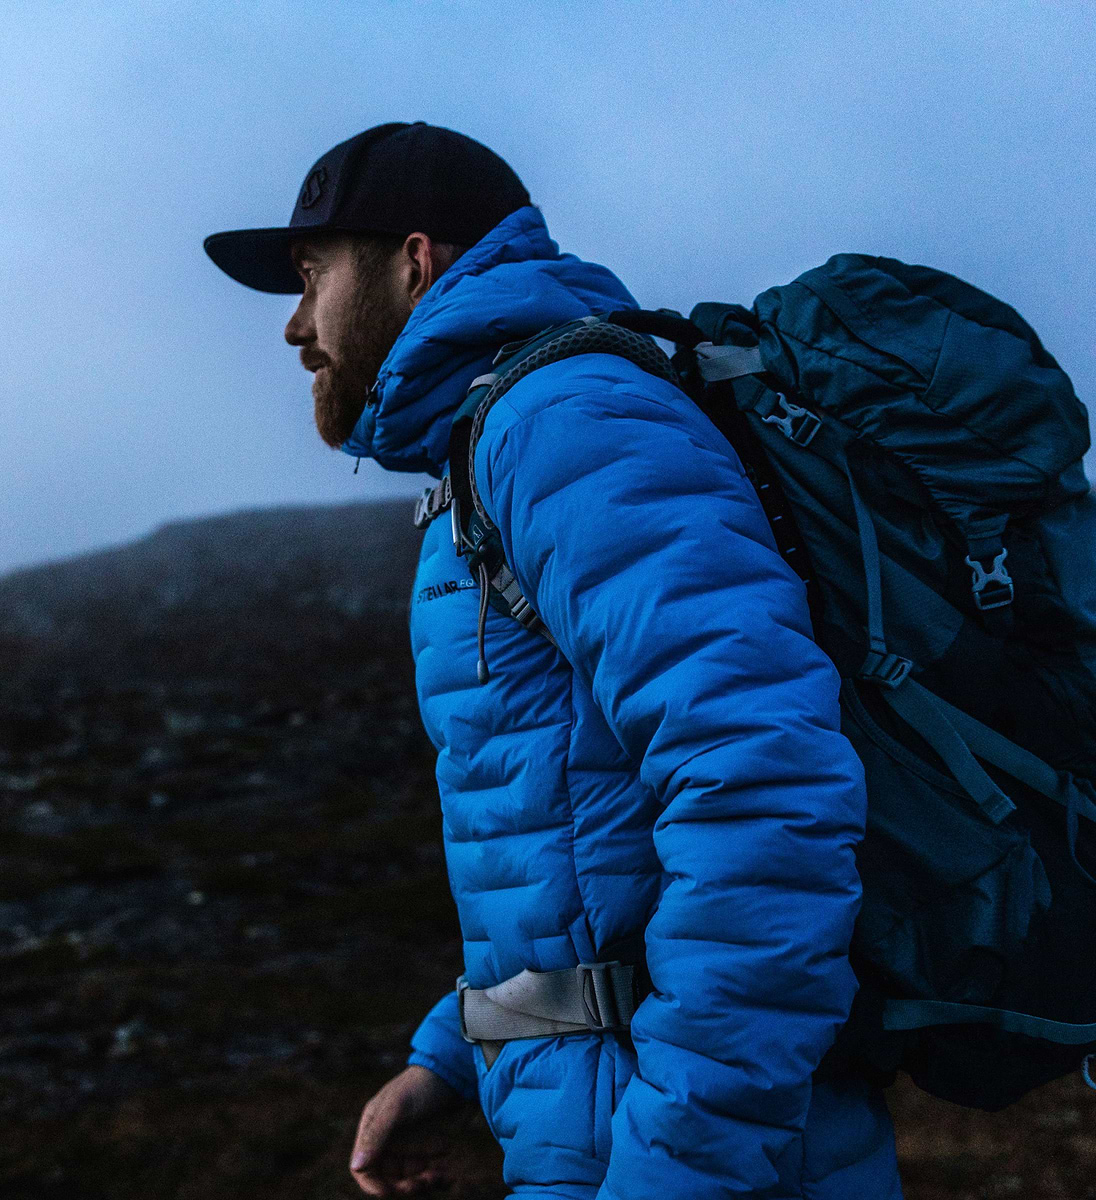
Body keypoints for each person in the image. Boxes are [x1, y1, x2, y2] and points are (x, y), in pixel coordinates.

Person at [205, 121, 904, 1200]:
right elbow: (580, 845)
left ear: (415, 258)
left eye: (309, 278)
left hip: (710, 1163)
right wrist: (452, 1052)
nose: (297, 327)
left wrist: (679, 1173)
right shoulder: (503, 440)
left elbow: (767, 792)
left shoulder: (566, 425)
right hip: (603, 1132)